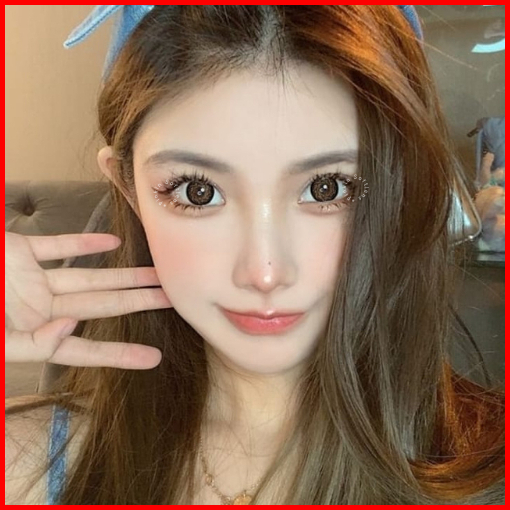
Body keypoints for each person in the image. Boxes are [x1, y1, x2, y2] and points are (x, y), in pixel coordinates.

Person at [5, 5, 504, 505]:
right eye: (198, 192)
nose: (264, 273)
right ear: (128, 189)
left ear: (401, 189)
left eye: (327, 188)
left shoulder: (489, 473)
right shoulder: (24, 465)